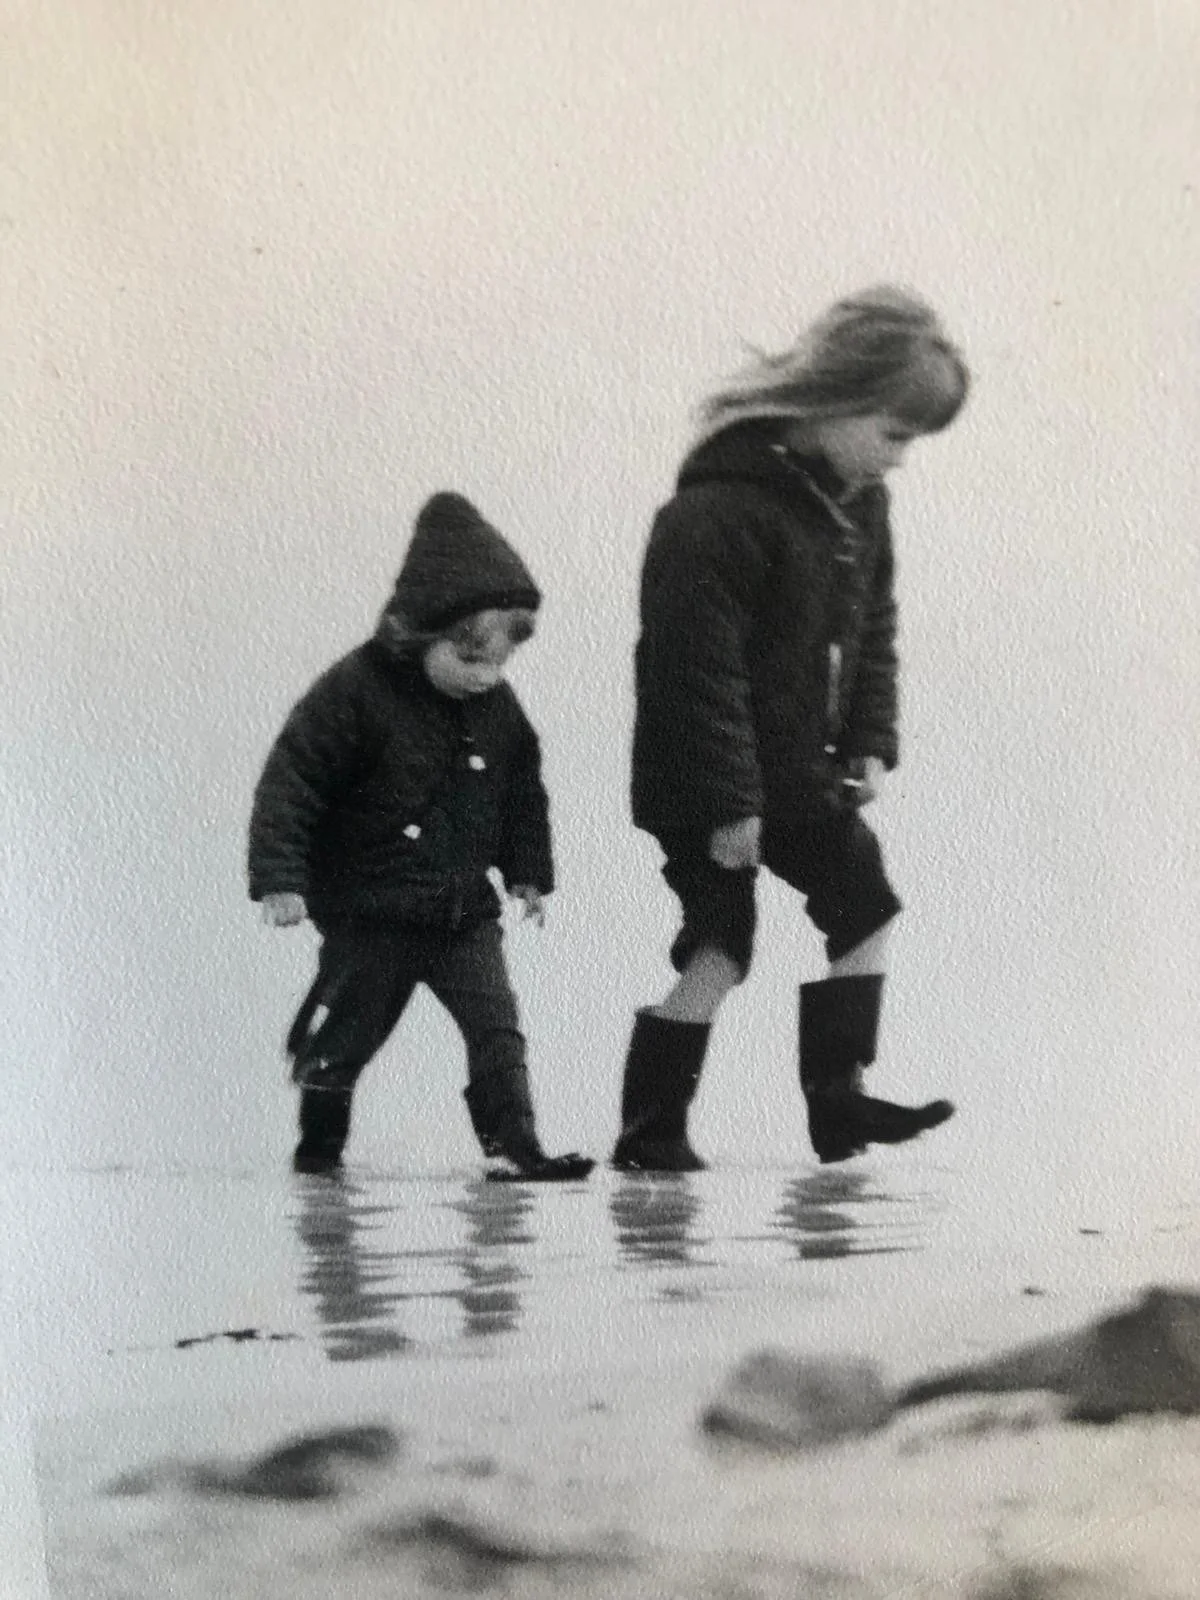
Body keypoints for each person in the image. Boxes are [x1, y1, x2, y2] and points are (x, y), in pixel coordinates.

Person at [613, 286, 970, 1171]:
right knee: (721, 946)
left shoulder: (861, 507)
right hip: (703, 776)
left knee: (866, 901)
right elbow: (693, 677)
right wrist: (728, 808)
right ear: (832, 403)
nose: (901, 459)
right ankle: (650, 1133)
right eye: (894, 433)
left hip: (801, 767)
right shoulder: (712, 515)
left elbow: (874, 630)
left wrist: (869, 743)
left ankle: (838, 1102)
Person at [248, 491, 594, 1181]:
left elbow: (522, 791)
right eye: (470, 662)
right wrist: (281, 880)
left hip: (463, 910)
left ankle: (516, 1144)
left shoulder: (497, 705)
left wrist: (527, 870)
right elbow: (293, 781)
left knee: (496, 1027)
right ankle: (319, 1149)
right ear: (422, 632)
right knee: (348, 1035)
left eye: (498, 666)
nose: (486, 680)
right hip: (370, 909)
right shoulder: (353, 691)